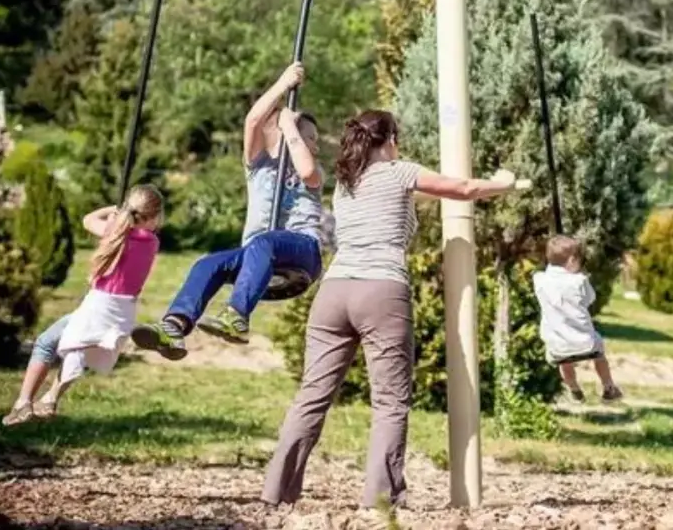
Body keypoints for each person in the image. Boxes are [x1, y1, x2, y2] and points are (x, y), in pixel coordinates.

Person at [262, 109, 521, 510]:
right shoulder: (400, 172)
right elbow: (465, 188)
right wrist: (503, 184)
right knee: (389, 402)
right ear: (391, 140)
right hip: (381, 291)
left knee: (312, 395)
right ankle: (380, 500)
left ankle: (277, 491)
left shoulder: (346, 185)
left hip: (334, 293)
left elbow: (420, 194)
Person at [133, 63, 326, 359]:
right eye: (308, 136)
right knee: (208, 264)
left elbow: (307, 168)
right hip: (258, 254)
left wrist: (291, 129)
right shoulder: (259, 167)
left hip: (303, 252)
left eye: (312, 138)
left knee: (265, 242)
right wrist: (282, 83)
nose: (315, 144)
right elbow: (252, 122)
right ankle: (175, 325)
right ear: (274, 136)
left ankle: (236, 318)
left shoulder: (312, 173)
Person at [3, 186, 164, 426]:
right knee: (80, 349)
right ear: (154, 216)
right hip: (121, 312)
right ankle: (50, 398)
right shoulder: (151, 242)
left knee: (47, 343)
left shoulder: (114, 232)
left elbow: (88, 220)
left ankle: (24, 402)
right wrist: (121, 218)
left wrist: (114, 211)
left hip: (99, 305)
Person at [532, 235, 622, 403]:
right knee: (600, 355)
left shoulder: (540, 280)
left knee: (564, 363)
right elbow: (590, 299)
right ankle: (608, 386)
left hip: (557, 345)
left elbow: (543, 273)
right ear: (573, 260)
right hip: (585, 342)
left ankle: (573, 388)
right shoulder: (579, 281)